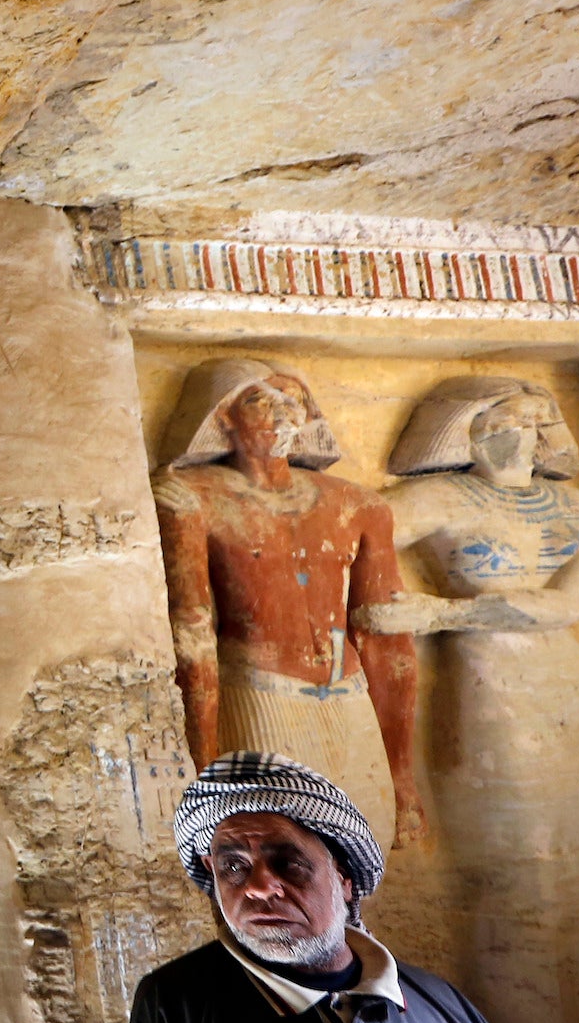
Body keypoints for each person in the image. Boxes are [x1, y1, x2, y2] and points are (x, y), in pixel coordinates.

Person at [363, 376, 579, 1023]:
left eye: (546, 418)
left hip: (572, 694)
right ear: (468, 430)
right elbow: (350, 537)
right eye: (515, 417)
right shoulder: (440, 499)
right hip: (491, 698)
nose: (535, 430)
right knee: (519, 889)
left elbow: (565, 605)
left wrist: (437, 613)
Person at [124, 752, 533, 1023]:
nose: (260, 887)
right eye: (233, 866)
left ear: (345, 878)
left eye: (288, 862)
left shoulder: (438, 1001)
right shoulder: (177, 1006)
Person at [152, 359, 423, 848]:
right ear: (224, 417)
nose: (282, 413)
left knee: (365, 848)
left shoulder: (358, 505)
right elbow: (192, 631)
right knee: (272, 849)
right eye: (261, 401)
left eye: (293, 401)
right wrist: (202, 766)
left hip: (349, 696)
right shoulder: (193, 497)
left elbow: (386, 636)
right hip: (258, 693)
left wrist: (402, 774)